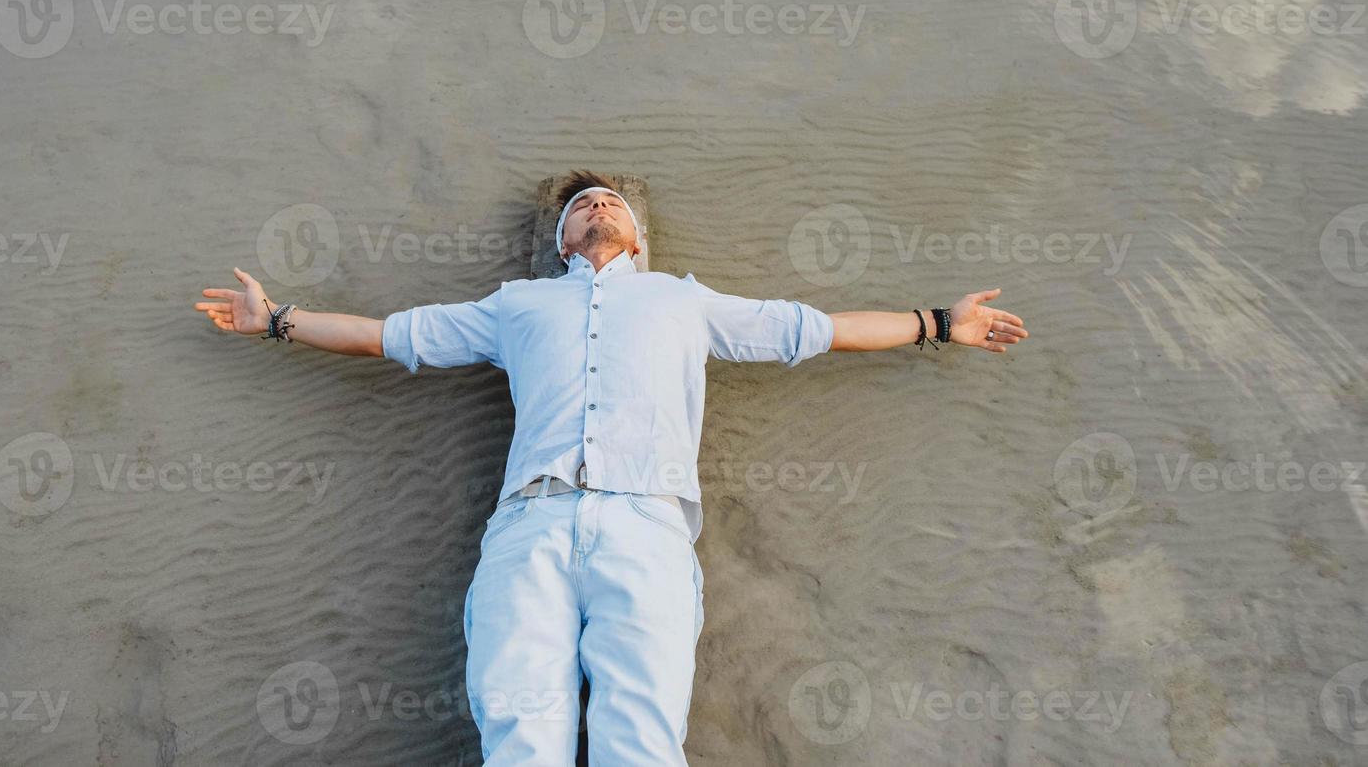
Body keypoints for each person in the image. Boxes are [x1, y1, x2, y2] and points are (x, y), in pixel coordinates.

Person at [194, 169, 1028, 765]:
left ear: (637, 234)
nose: (597, 207)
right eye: (583, 206)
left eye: (611, 203)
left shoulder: (685, 299)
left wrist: (936, 322)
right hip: (530, 526)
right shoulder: (514, 305)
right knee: (520, 740)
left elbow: (814, 329)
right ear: (561, 239)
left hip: (648, 527)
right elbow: (388, 336)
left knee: (641, 743)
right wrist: (278, 320)